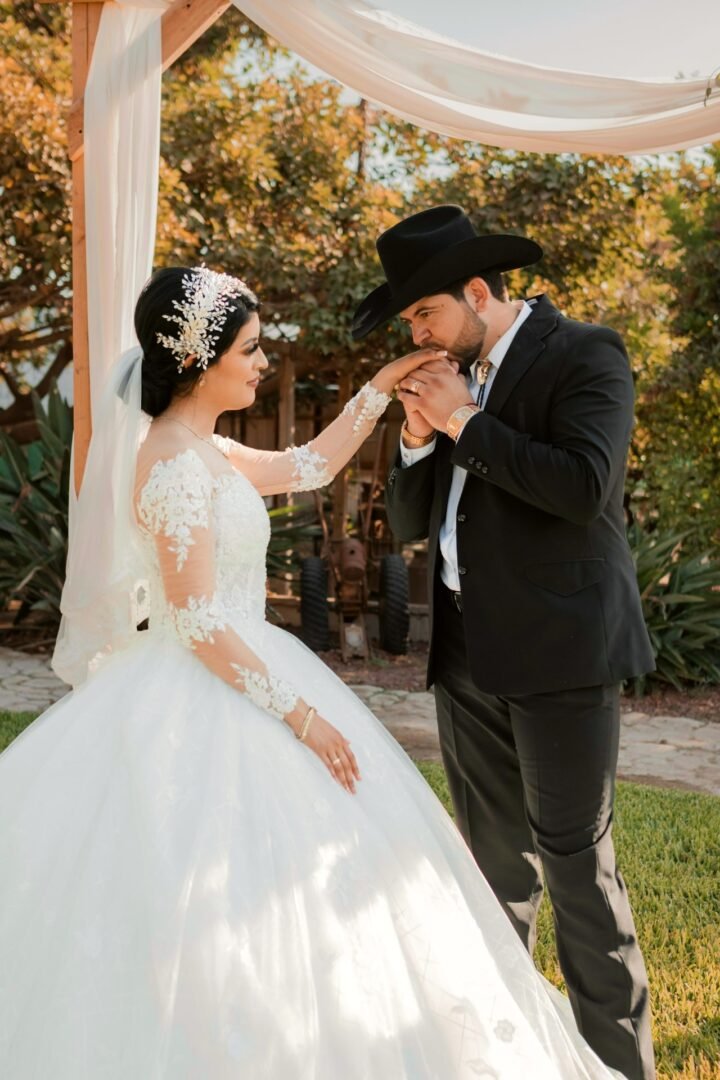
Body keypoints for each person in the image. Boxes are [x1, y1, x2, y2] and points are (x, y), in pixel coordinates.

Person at [1, 265, 625, 1079]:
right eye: (252, 349)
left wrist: (378, 387)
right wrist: (301, 716)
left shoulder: (206, 448)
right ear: (201, 359)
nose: (262, 363)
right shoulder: (170, 463)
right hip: (209, 684)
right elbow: (193, 622)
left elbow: (311, 466)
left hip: (248, 663)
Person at [356, 205, 657, 1080]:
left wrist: (461, 423)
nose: (417, 333)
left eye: (425, 313)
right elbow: (410, 525)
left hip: (563, 657)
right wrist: (417, 436)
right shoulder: (445, 381)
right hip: (466, 662)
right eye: (409, 319)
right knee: (492, 880)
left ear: (478, 291)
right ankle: (503, 1063)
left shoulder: (585, 354)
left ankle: (616, 1069)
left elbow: (583, 486)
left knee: (577, 876)